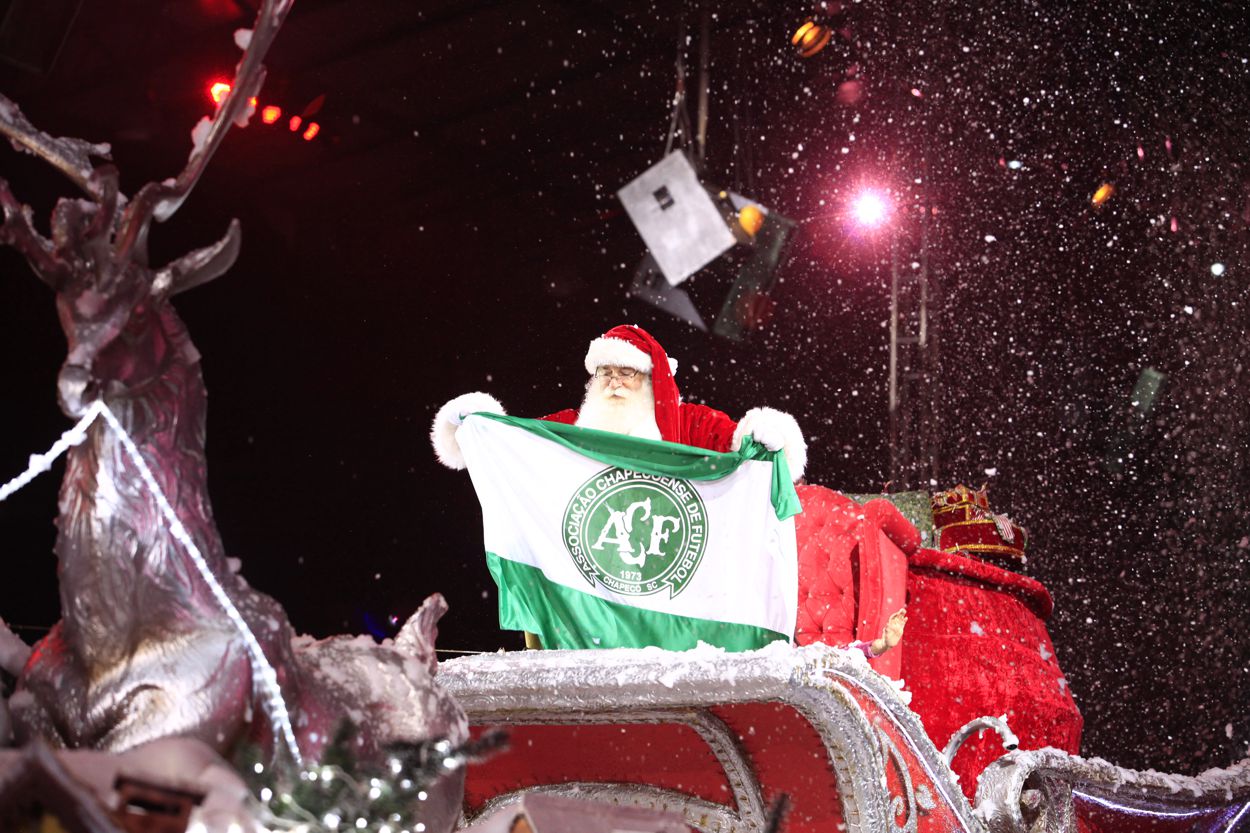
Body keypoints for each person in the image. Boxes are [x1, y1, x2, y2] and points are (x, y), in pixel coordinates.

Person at [431, 324, 806, 479]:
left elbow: (741, 446)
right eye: (605, 373)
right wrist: (479, 427)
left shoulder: (689, 423)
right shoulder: (570, 425)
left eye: (627, 372)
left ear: (650, 379)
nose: (614, 383)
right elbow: (518, 442)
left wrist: (766, 436)